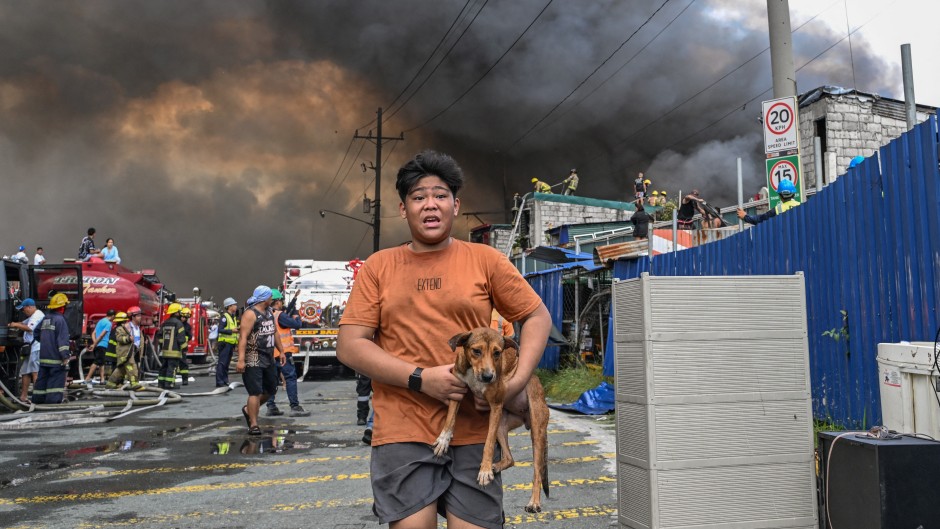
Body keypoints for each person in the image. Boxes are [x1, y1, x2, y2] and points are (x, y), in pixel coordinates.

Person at [336, 149, 551, 529]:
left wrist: (511, 383)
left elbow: (536, 316)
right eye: (418, 197)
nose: (430, 205)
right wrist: (421, 378)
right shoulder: (379, 267)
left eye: (440, 195)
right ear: (404, 209)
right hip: (403, 430)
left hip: (474, 434)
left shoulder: (485, 260)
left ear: (456, 204)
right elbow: (350, 345)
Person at [235, 286, 285, 436]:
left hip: (268, 356)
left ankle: (248, 410)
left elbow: (274, 332)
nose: (273, 299)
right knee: (255, 392)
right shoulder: (250, 314)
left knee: (271, 389)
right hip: (253, 357)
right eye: (270, 297)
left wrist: (281, 351)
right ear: (264, 298)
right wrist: (241, 360)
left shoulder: (269, 312)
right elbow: (243, 337)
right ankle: (254, 425)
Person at [266, 289, 309, 417]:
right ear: (277, 301)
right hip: (283, 353)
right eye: (281, 301)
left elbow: (284, 312)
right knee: (290, 378)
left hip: (269, 353)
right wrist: (296, 314)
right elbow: (297, 324)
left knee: (271, 380)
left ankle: (271, 406)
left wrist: (294, 300)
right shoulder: (280, 315)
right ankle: (295, 407)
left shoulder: (266, 314)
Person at [32, 293, 72, 404]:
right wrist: (65, 357)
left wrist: (46, 342)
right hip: (56, 359)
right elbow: (62, 341)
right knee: (55, 381)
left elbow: (35, 333)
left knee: (42, 380)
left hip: (44, 358)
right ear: (63, 307)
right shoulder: (60, 320)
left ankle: (38, 400)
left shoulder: (46, 318)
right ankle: (52, 401)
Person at [8, 298, 44, 403]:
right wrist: (12, 324)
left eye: (24, 310)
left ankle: (37, 397)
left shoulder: (37, 315)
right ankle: (23, 396)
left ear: (29, 307)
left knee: (34, 372)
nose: (24, 312)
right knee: (25, 372)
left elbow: (29, 328)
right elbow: (23, 323)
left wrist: (15, 325)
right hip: (29, 348)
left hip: (36, 348)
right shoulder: (32, 316)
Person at [737, 178, 801, 225]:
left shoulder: (777, 209)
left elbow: (760, 219)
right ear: (794, 193)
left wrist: (745, 216)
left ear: (780, 195)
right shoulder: (800, 206)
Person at [157, 302, 187, 389]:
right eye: (180, 312)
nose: (181, 314)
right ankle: (169, 384)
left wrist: (163, 345)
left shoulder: (165, 323)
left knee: (164, 367)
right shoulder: (179, 323)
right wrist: (184, 347)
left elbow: (159, 336)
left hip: (165, 351)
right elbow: (181, 338)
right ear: (176, 313)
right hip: (174, 352)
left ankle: (161, 383)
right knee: (172, 368)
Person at [105, 312, 138, 389]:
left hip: (118, 352)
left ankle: (111, 383)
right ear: (124, 321)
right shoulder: (119, 329)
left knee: (121, 368)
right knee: (130, 367)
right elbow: (120, 339)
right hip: (119, 353)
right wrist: (128, 339)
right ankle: (134, 384)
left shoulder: (118, 329)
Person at [85, 309, 115, 385]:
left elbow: (93, 333)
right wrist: (95, 344)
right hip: (103, 344)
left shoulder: (100, 321)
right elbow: (102, 335)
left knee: (101, 362)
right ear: (112, 316)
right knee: (97, 361)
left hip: (98, 344)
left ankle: (102, 379)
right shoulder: (108, 323)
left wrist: (95, 343)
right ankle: (87, 378)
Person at [215, 297, 239, 387]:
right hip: (224, 343)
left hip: (230, 344)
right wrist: (231, 331)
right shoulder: (225, 317)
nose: (236, 307)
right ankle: (220, 381)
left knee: (227, 363)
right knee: (222, 362)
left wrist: (235, 343)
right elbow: (220, 329)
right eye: (234, 305)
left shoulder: (233, 317)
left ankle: (225, 380)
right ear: (229, 306)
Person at [178, 306, 192, 386]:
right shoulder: (177, 324)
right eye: (182, 317)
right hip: (175, 347)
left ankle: (185, 379)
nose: (183, 318)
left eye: (185, 317)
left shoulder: (187, 326)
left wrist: (184, 339)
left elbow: (189, 336)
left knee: (183, 363)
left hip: (182, 347)